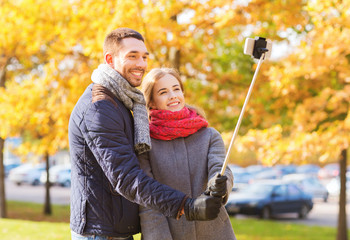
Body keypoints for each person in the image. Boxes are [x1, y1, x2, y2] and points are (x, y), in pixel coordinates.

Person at [68, 28, 224, 240]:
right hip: (100, 232)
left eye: (144, 57)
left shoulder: (121, 101)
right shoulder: (100, 108)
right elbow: (127, 178)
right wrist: (187, 206)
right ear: (110, 59)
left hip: (114, 229)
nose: (141, 64)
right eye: (132, 56)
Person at [139, 67, 237, 240]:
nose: (173, 96)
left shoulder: (209, 135)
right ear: (151, 102)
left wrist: (220, 183)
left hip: (216, 232)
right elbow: (148, 202)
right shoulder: (145, 144)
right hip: (170, 233)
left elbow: (220, 169)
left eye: (176, 89)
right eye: (163, 92)